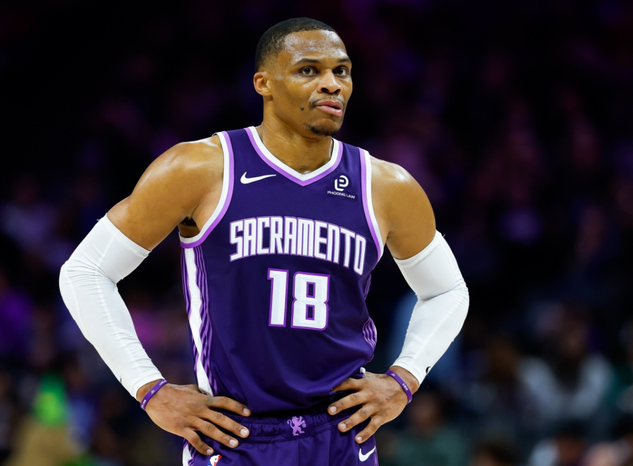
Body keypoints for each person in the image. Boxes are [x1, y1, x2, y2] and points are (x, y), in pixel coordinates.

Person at [59, 17, 469, 466]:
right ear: (264, 84)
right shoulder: (200, 168)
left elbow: (447, 290)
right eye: (308, 70)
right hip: (235, 436)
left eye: (342, 71)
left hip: (341, 434)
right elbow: (85, 272)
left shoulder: (385, 186)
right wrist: (149, 389)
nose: (332, 84)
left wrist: (403, 380)